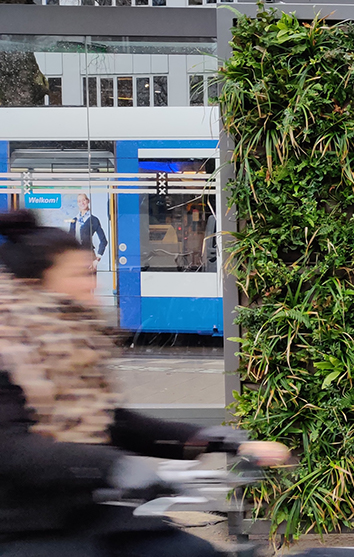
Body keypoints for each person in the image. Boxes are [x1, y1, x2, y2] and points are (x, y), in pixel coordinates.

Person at [0, 210, 289, 557]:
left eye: (90, 272)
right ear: (37, 283)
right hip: (27, 528)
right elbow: (14, 449)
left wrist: (218, 441)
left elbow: (114, 423)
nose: (91, 284)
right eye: (79, 274)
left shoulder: (71, 342)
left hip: (89, 515)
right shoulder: (9, 348)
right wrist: (115, 467)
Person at [68, 194, 108, 270]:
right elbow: (69, 240)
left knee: (88, 280)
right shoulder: (74, 220)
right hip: (75, 257)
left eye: (84, 200)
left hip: (88, 256)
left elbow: (104, 241)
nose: (82, 203)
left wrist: (97, 259)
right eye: (79, 201)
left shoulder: (94, 220)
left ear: (88, 201)